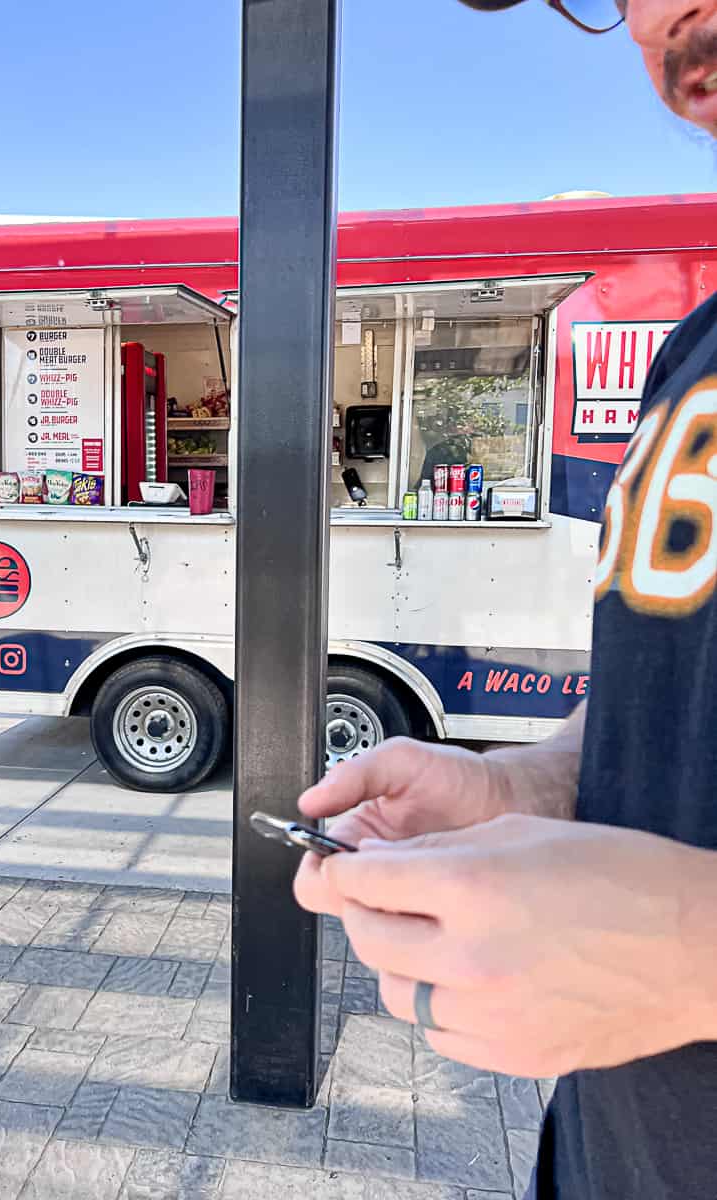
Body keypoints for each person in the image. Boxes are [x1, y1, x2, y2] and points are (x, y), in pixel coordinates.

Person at [294, 2, 717, 1197]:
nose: (651, 18)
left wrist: (695, 952)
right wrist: (529, 783)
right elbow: (675, 701)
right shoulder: (691, 356)